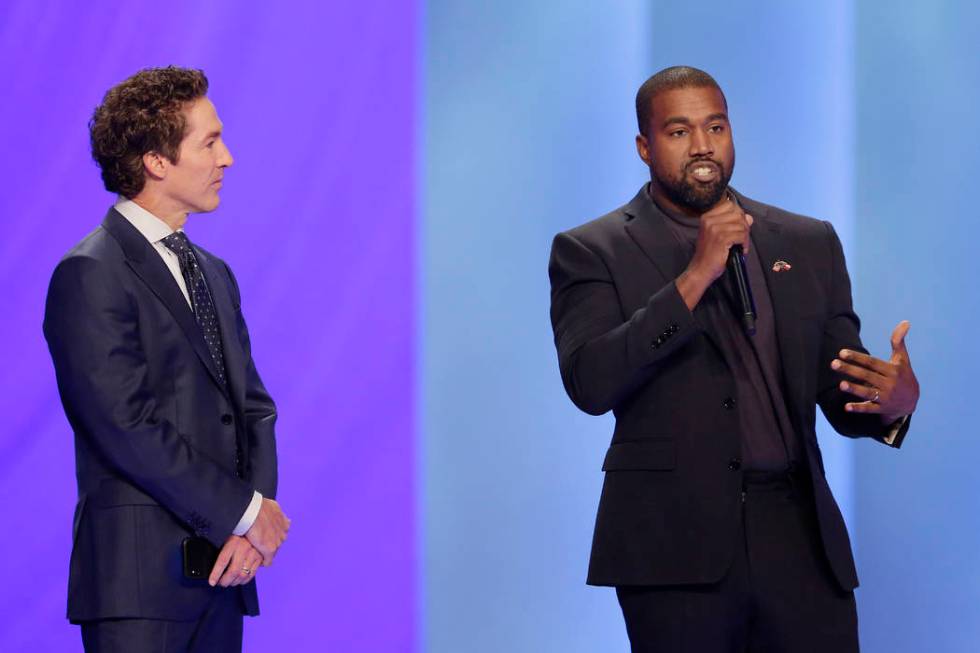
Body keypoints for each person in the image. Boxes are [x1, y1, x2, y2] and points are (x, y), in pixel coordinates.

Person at [548, 66, 919, 652]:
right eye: (678, 131)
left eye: (715, 126)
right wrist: (696, 276)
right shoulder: (592, 250)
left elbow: (839, 390)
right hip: (674, 549)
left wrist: (892, 404)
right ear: (644, 147)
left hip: (799, 541)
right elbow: (592, 382)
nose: (702, 146)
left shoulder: (807, 241)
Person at [43, 66, 290, 653]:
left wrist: (252, 529)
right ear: (157, 161)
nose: (226, 158)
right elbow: (124, 427)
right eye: (209, 142)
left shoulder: (214, 272)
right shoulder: (90, 273)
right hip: (139, 588)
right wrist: (246, 510)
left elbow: (252, 409)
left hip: (223, 574)